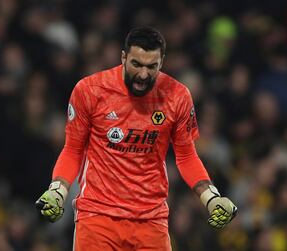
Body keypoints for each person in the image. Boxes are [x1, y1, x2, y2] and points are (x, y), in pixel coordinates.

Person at [36, 26, 237, 250]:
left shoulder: (177, 96)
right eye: (136, 64)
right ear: (123, 57)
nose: (143, 74)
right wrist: (57, 190)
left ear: (162, 62)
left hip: (151, 221)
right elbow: (73, 149)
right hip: (98, 217)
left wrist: (211, 197)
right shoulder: (90, 91)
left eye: (152, 67)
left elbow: (187, 156)